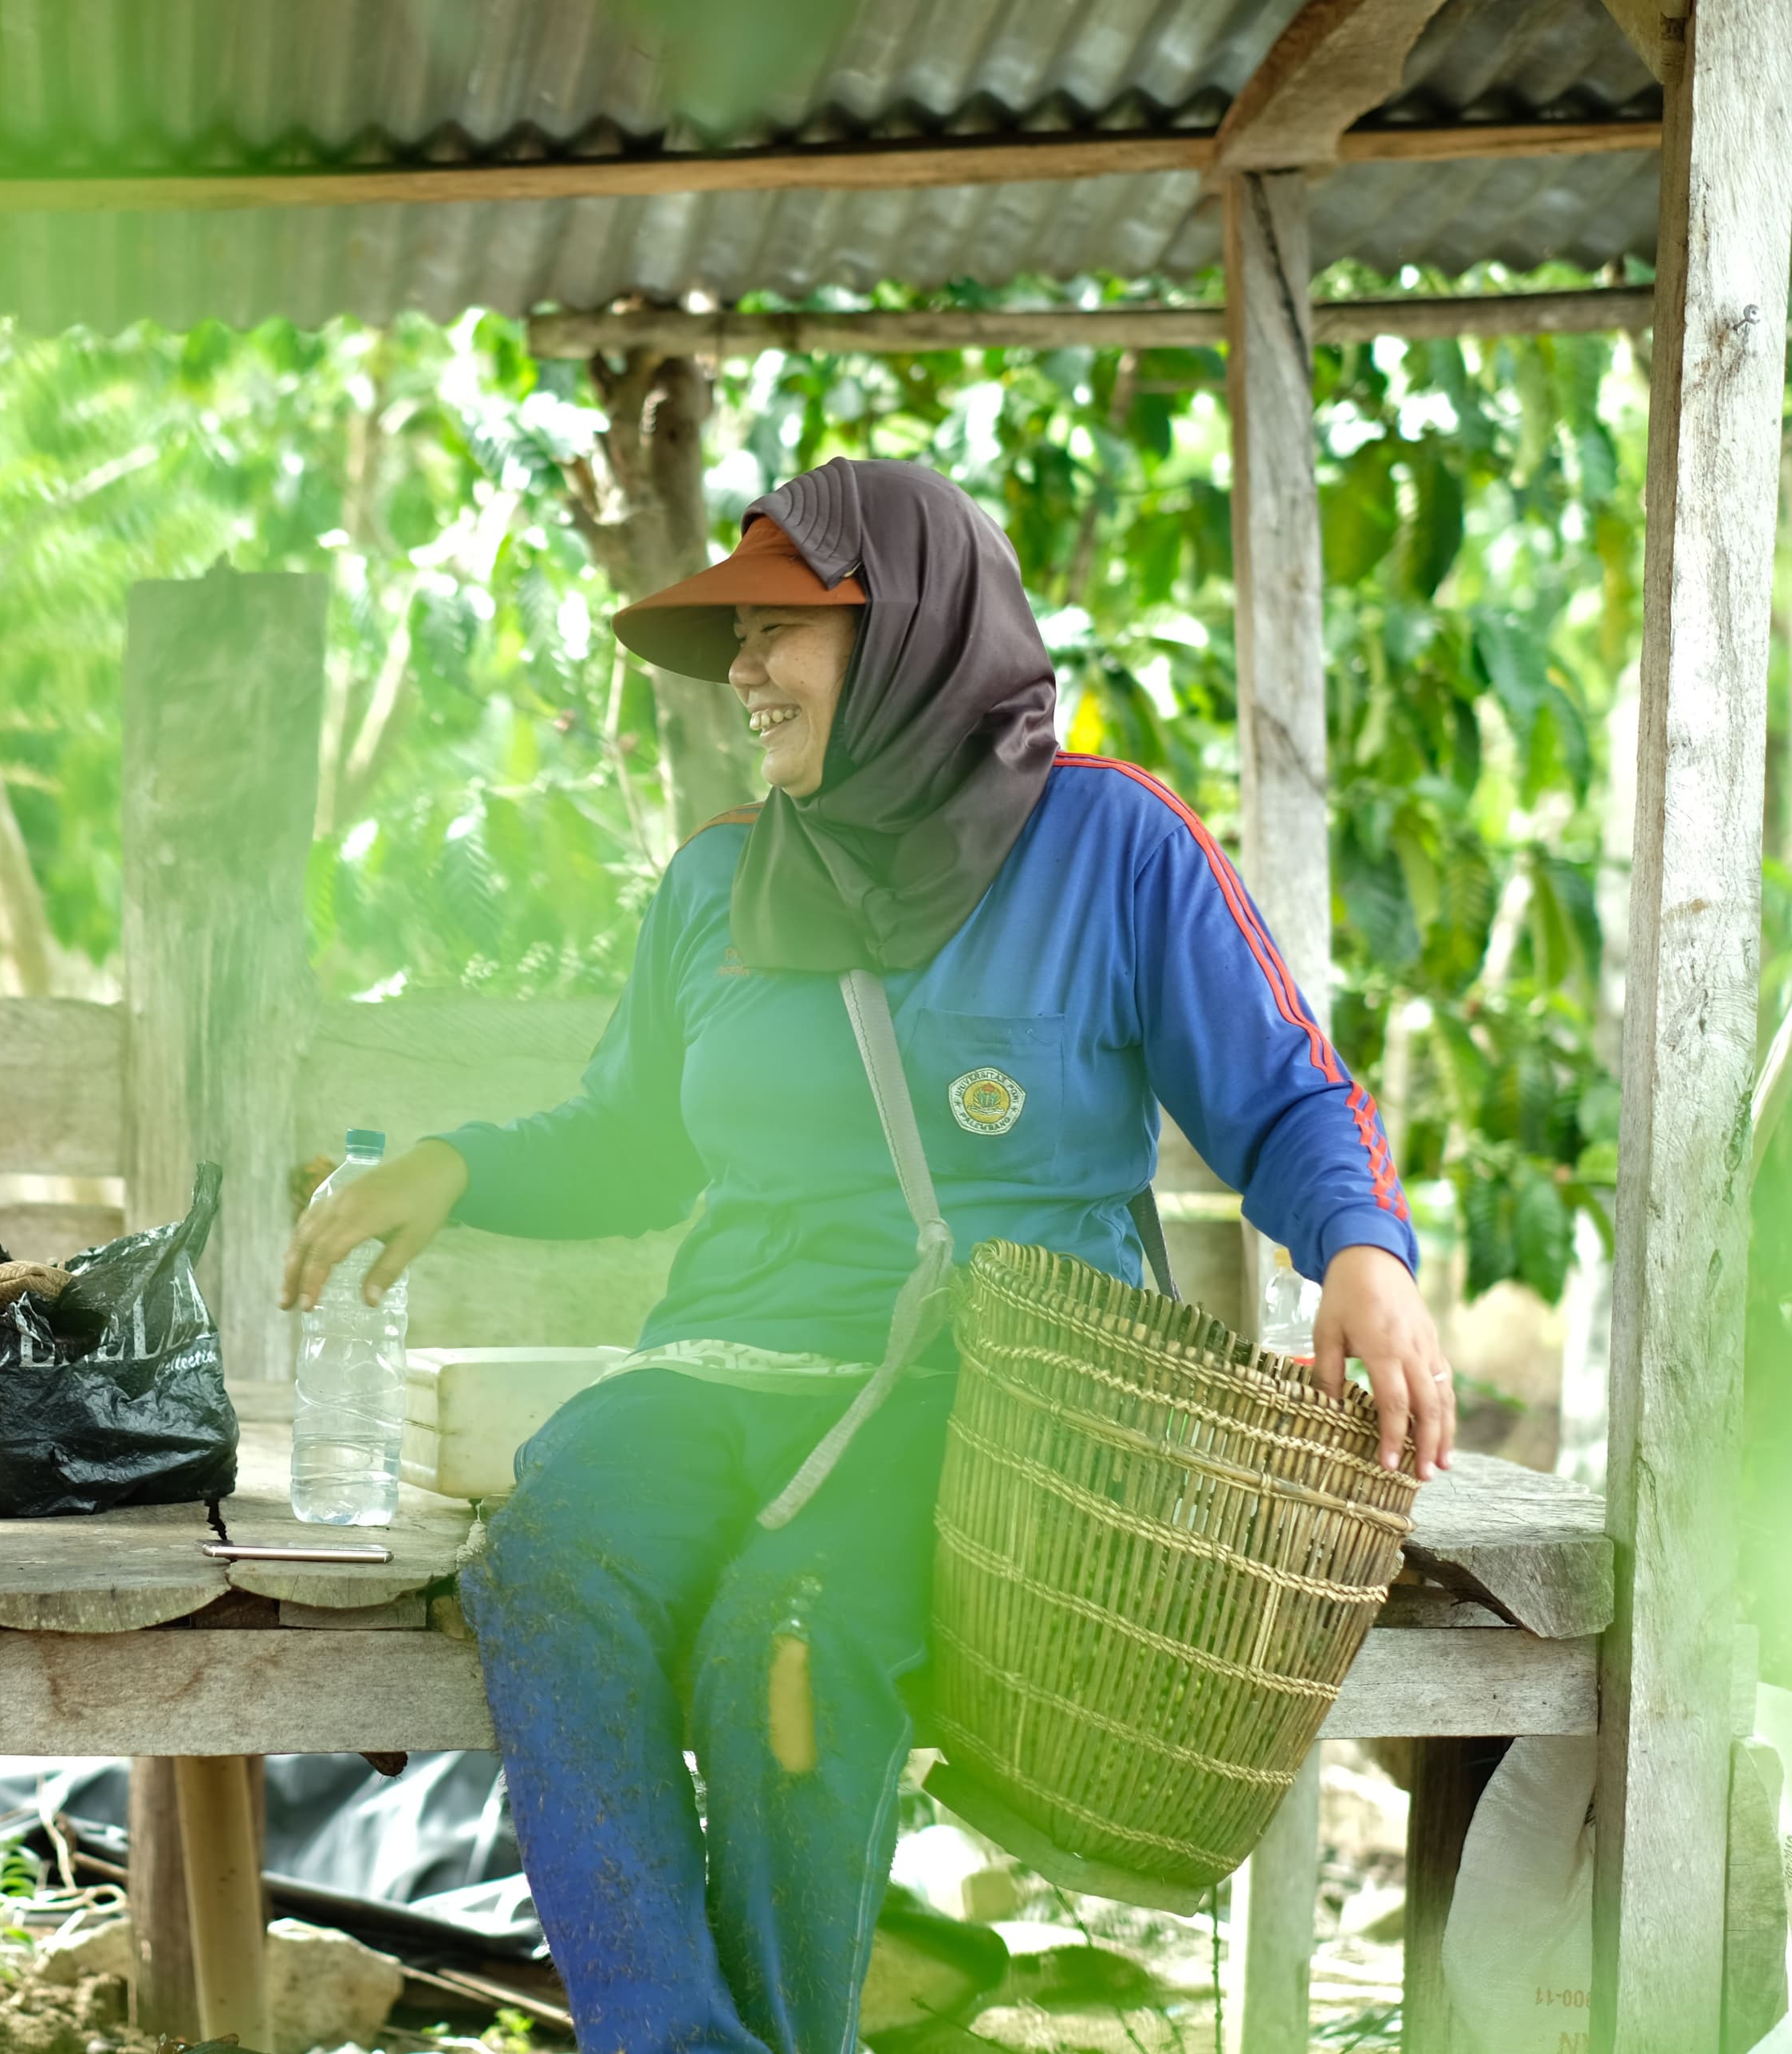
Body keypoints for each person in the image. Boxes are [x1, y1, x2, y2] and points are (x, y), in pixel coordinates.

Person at [281, 457, 1453, 2052]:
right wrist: (461, 1162)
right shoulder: (715, 882)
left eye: (780, 630)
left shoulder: (1110, 844)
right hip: (725, 1369)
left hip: (999, 1405)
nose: (743, 671)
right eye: (737, 637)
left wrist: (1364, 1256)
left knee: (793, 1638)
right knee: (546, 1551)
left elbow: (1290, 1092)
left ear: (905, 632)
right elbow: (634, 1139)